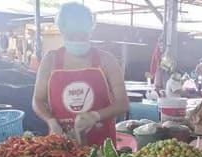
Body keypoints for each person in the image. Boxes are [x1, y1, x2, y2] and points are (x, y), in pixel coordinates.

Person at [32, 2, 129, 146]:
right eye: (71, 36)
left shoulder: (106, 60)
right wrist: (51, 121)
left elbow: (123, 103)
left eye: (82, 36)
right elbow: (37, 101)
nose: (77, 40)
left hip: (101, 146)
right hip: (61, 145)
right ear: (62, 32)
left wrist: (96, 116)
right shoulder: (50, 60)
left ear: (90, 32)